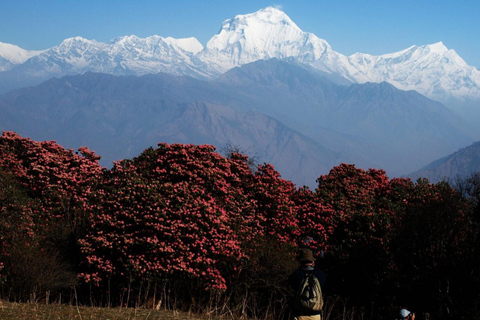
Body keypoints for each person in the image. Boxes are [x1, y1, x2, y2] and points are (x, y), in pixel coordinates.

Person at [288, 248, 326, 320]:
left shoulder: (296, 274)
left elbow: (290, 285)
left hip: (299, 315)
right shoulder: (320, 274)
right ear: (312, 261)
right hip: (315, 315)